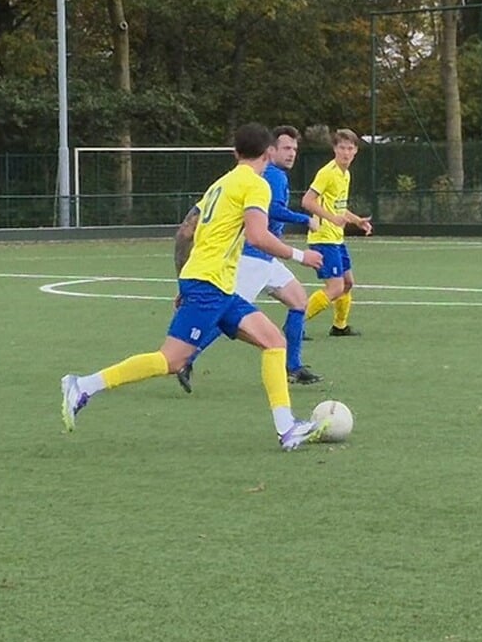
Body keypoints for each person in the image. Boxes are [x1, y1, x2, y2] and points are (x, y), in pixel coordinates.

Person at [59, 123, 330, 451]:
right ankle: (83, 385)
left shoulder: (220, 184)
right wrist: (302, 255)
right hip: (210, 284)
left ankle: (287, 429)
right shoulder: (256, 185)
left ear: (235, 152)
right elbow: (258, 236)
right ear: (268, 153)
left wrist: (186, 281)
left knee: (274, 342)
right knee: (171, 360)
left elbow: (191, 233)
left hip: (213, 283)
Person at [176, 125, 322, 391]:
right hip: (253, 257)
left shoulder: (263, 176)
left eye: (294, 149)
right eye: (286, 148)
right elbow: (272, 211)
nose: (291, 154)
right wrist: (305, 221)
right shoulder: (271, 177)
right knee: (226, 315)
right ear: (270, 151)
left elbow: (187, 229)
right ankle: (186, 358)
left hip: (267, 258)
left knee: (299, 301)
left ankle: (293, 366)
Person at [301, 128, 373, 337]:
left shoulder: (345, 174)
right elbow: (307, 201)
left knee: (348, 283)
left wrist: (357, 221)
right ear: (335, 149)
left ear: (356, 151)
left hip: (336, 238)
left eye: (350, 148)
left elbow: (338, 208)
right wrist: (332, 219)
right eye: (342, 147)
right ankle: (295, 323)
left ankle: (339, 326)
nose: (346, 152)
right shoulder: (327, 173)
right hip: (323, 238)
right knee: (335, 287)